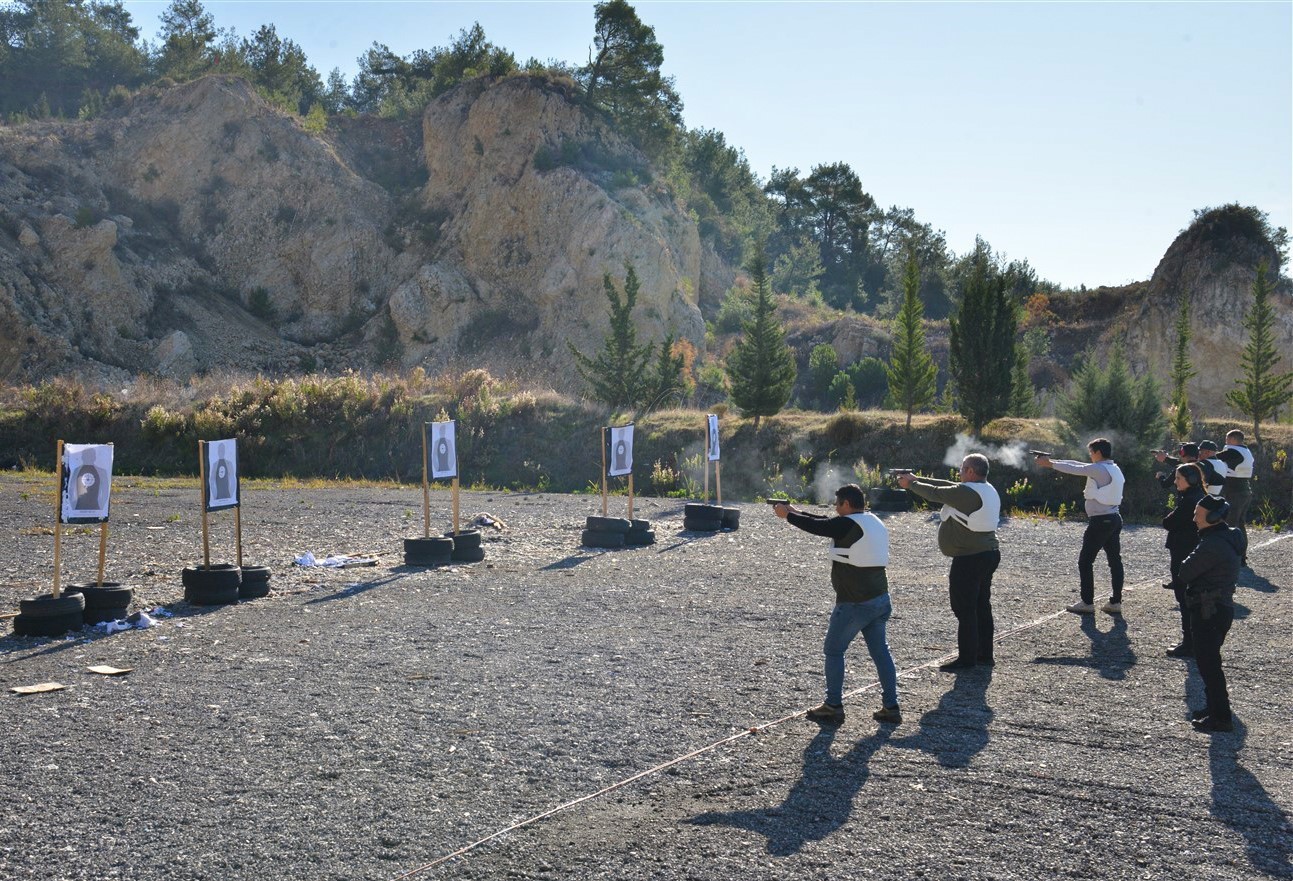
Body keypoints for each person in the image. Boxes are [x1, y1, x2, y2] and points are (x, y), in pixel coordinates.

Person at [773, 484, 901, 725]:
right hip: (880, 599)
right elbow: (826, 522)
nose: (835, 508)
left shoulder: (847, 524)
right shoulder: (871, 520)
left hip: (855, 602)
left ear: (846, 504)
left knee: (833, 651)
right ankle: (891, 706)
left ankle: (833, 705)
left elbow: (821, 526)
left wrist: (788, 516)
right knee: (881, 653)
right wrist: (795, 511)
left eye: (837, 504)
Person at [896, 454, 1001, 672]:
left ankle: (967, 659)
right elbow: (947, 486)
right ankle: (984, 654)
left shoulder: (966, 492)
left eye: (963, 469)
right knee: (981, 606)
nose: (959, 472)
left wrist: (912, 484)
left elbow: (936, 493)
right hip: (987, 554)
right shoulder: (986, 489)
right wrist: (916, 479)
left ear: (971, 471)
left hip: (969, 558)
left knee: (965, 608)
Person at [1179, 494, 1247, 733]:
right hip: (1218, 609)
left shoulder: (1213, 544)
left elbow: (1185, 571)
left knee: (1209, 666)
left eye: (1198, 515)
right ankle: (1214, 708)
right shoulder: (1227, 536)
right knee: (1208, 663)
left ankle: (1221, 717)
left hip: (1209, 610)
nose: (1194, 519)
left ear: (1213, 517)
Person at [1036, 438, 1126, 615]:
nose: (1090, 456)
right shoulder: (1112, 468)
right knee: (1115, 561)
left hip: (1101, 521)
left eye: (1092, 452)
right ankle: (1115, 601)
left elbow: (1076, 469)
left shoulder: (1098, 469)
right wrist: (1052, 462)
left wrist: (1050, 465)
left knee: (1085, 562)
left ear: (1098, 452)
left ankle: (1087, 602)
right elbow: (1078, 464)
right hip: (1114, 518)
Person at [1162, 463, 1206, 658]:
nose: (1175, 481)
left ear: (1191, 480)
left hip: (1183, 551)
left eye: (1178, 478)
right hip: (1190, 550)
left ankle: (1189, 644)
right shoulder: (1196, 496)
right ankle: (1194, 642)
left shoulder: (1190, 500)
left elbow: (1169, 522)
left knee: (1184, 599)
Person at [1216, 429, 1255, 562]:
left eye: (1227, 439)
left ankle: (1235, 557)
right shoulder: (1246, 451)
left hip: (1236, 493)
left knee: (1231, 525)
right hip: (1243, 491)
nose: (1226, 442)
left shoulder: (1233, 451)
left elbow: (1214, 458)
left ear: (1233, 440)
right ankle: (1241, 556)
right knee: (1239, 524)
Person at [1154, 442, 1219, 493]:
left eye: (1181, 452)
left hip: (1186, 502)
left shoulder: (1180, 469)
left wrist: (1160, 476)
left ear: (1183, 454)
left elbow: (1165, 484)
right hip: (1202, 502)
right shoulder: (1205, 466)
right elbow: (1220, 480)